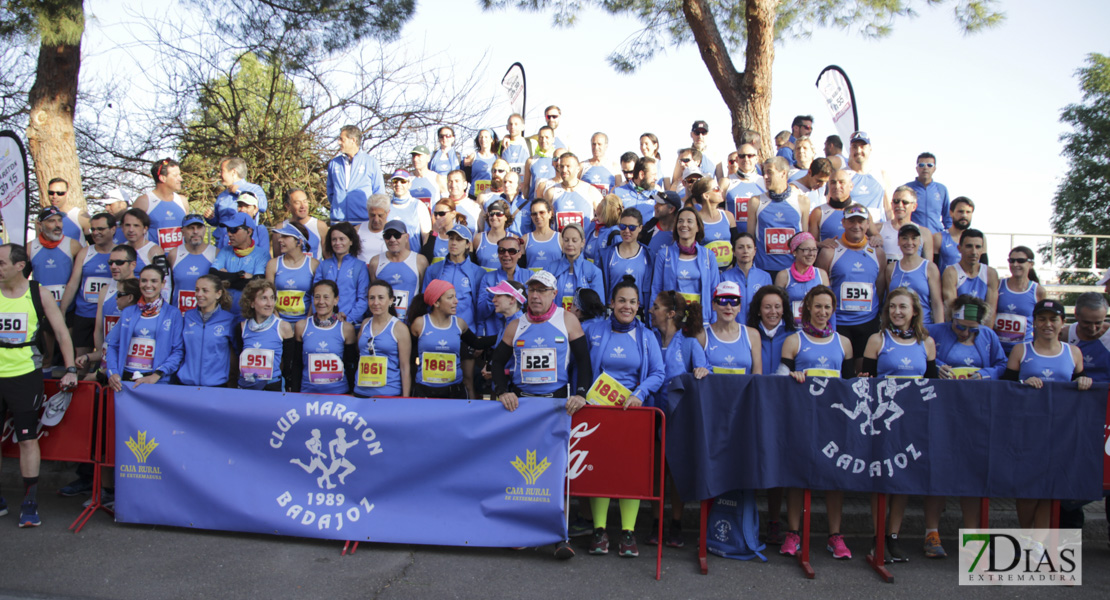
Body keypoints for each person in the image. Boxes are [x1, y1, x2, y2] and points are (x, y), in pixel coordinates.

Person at [582, 275, 666, 558]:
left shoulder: (647, 336)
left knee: (630, 471)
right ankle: (599, 530)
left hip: (633, 415)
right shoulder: (593, 330)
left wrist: (640, 393)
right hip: (599, 413)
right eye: (621, 301)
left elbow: (658, 372)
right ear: (611, 302)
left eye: (632, 302)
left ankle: (628, 532)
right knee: (600, 469)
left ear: (638, 305)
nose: (626, 306)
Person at [0, 243, 79, 527]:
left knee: (27, 439)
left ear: (20, 266)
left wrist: (70, 368)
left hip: (24, 376)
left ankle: (30, 501)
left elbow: (61, 332)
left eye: (1, 263)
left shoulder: (38, 293)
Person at [862, 287, 938, 563]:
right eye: (892, 306)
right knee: (881, 477)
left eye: (903, 307)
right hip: (883, 419)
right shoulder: (877, 339)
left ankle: (893, 535)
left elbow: (932, 385)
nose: (897, 311)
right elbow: (866, 382)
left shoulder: (926, 343)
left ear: (914, 311)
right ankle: (877, 534)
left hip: (913, 421)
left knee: (901, 477)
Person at [1004, 299, 1092, 535]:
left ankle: (1039, 541)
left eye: (1053, 319)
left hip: (1060, 431)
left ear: (1062, 323)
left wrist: (1084, 381)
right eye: (1042, 319)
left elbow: (1080, 383)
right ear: (1034, 322)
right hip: (1027, 430)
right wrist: (1024, 383)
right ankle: (1026, 534)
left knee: (1049, 490)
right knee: (1027, 489)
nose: (1047, 324)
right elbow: (1005, 389)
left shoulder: (1074, 352)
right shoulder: (1021, 350)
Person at [778, 285, 854, 559]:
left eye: (827, 307)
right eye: (818, 306)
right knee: (798, 476)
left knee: (835, 478)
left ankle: (835, 536)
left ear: (833, 310)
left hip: (834, 420)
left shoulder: (843, 343)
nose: (823, 312)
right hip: (802, 419)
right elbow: (779, 382)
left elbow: (849, 386)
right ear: (807, 308)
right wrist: (792, 377)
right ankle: (793, 533)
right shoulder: (793, 341)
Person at [648, 291, 708, 546]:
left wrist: (704, 370)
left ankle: (675, 524)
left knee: (675, 472)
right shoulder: (647, 338)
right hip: (649, 416)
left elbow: (707, 374)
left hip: (678, 418)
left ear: (670, 314)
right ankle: (655, 523)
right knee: (655, 473)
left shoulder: (690, 344)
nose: (651, 310)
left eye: (656, 306)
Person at [817, 204, 886, 373]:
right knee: (843, 372)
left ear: (868, 224)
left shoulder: (877, 252)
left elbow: (880, 286)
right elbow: (820, 288)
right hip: (839, 322)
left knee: (864, 374)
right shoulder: (830, 251)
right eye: (852, 221)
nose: (856, 226)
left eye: (861, 221)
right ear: (844, 223)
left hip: (867, 322)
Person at [423, 224, 484, 398]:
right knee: (435, 378)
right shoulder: (434, 269)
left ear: (468, 245)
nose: (453, 243)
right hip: (437, 331)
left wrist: (478, 336)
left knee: (468, 380)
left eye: (459, 239)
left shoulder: (477, 272)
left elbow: (479, 308)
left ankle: (470, 420)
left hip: (465, 333)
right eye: (451, 238)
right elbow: (425, 301)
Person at [105, 265, 185, 391]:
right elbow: (112, 345)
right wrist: (113, 372)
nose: (148, 285)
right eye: (144, 281)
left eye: (154, 281)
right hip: (125, 380)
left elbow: (178, 351)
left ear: (163, 283)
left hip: (157, 382)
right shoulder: (128, 312)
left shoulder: (173, 313)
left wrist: (157, 375)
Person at [410, 280, 489, 399]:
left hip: (454, 392)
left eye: (455, 297)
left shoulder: (459, 324)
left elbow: (477, 343)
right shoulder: (420, 324)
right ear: (436, 302)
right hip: (424, 391)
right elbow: (408, 356)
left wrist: (504, 336)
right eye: (450, 297)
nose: (456, 301)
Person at [61, 212, 117, 365]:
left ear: (113, 229)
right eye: (93, 229)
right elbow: (73, 283)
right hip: (84, 314)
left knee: (107, 358)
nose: (96, 233)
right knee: (81, 360)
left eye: (101, 229)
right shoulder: (85, 252)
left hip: (110, 315)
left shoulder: (121, 252)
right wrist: (62, 310)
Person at [651, 207, 720, 324]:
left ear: (698, 227)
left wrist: (714, 321)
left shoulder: (709, 256)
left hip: (700, 322)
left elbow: (715, 290)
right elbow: (656, 289)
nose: (684, 224)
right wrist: (654, 320)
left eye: (689, 221)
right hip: (672, 322)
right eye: (680, 221)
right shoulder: (664, 254)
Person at [748, 157, 810, 277]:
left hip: (792, 272)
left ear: (783, 173)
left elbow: (805, 240)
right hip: (764, 271)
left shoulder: (802, 201)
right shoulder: (756, 201)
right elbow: (750, 240)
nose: (765, 177)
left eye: (770, 172)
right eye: (764, 173)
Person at [295, 280, 357, 394]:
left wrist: (352, 393)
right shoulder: (301, 326)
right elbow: (296, 364)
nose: (321, 302)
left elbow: (351, 365)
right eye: (317, 297)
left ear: (336, 300)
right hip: (307, 393)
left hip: (339, 394)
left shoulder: (346, 329)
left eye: (326, 297)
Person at [354, 280, 412, 398]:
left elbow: (405, 367)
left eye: (381, 298)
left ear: (391, 300)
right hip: (361, 393)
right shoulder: (365, 324)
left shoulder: (400, 328)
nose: (375, 302)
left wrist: (405, 399)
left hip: (388, 393)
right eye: (371, 298)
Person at [176, 274, 236, 387]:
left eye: (205, 291)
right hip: (185, 384)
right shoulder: (187, 317)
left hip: (216, 386)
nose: (199, 294)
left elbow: (236, 353)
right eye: (197, 290)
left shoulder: (229, 320)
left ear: (218, 294)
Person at [236, 278, 296, 391]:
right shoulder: (241, 328)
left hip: (272, 387)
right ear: (252, 303)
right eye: (264, 298)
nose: (269, 303)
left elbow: (289, 363)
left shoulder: (283, 327)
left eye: (272, 298)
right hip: (247, 387)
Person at [929, 294, 1006, 381]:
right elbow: (918, 356)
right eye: (960, 327)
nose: (965, 333)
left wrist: (984, 374)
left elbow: (1002, 365)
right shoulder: (934, 331)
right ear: (952, 319)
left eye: (973, 329)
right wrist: (936, 366)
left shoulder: (988, 335)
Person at [209, 212, 270, 318]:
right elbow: (213, 275)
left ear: (249, 231)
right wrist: (240, 275)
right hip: (224, 314)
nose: (229, 234)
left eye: (234, 230)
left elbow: (256, 284)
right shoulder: (225, 251)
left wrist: (227, 279)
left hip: (249, 315)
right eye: (228, 230)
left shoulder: (262, 254)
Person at [884, 223, 944, 325]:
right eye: (905, 238)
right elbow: (889, 301)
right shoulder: (891, 268)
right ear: (898, 242)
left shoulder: (929, 267)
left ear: (920, 241)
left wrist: (939, 329)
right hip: (897, 327)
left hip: (923, 326)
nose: (909, 242)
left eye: (914, 238)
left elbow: (937, 303)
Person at [369, 220, 427, 324]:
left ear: (406, 237)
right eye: (388, 236)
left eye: (397, 235)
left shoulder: (420, 261)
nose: (392, 239)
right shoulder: (375, 262)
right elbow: (372, 292)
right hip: (384, 323)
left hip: (411, 322)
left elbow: (423, 293)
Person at [205, 156, 268, 249]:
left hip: (244, 248)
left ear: (233, 172)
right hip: (222, 247)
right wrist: (210, 218)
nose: (219, 174)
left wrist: (239, 191)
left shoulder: (254, 189)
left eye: (222, 171)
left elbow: (263, 206)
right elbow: (218, 221)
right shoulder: (222, 196)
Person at [327, 125, 385, 223]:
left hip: (363, 221)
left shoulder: (371, 162)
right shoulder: (334, 164)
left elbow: (379, 193)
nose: (339, 142)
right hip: (338, 222)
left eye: (342, 139)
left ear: (353, 140)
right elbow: (331, 192)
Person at [993, 246, 1046, 355]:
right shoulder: (998, 285)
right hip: (997, 349)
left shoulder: (1038, 291)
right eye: (1011, 261)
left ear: (1031, 264)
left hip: (1023, 351)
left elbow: (1040, 322)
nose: (1015, 264)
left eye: (1020, 261)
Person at [315, 222, 370, 324]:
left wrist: (348, 319)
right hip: (324, 322)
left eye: (342, 239)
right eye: (334, 239)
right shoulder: (323, 265)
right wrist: (321, 317)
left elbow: (363, 299)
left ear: (351, 241)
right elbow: (314, 295)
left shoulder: (360, 266)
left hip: (350, 324)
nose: (337, 243)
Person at [265, 222, 319, 324]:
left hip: (305, 322)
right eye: (281, 236)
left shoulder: (314, 265)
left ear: (299, 242)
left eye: (285, 236)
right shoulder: (273, 264)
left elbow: (316, 296)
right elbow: (269, 296)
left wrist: (307, 322)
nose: (280, 240)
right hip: (277, 322)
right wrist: (278, 322)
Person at [29, 206, 83, 308]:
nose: (58, 225)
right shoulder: (30, 248)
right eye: (51, 221)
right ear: (40, 225)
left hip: (69, 309)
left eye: (59, 220)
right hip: (41, 308)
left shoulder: (73, 245)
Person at [477, 236, 530, 337]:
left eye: (511, 251)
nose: (506, 255)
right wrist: (494, 293)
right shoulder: (488, 278)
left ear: (519, 254)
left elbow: (533, 308)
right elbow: (481, 312)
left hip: (522, 334)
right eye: (501, 251)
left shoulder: (529, 276)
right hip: (494, 336)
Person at [703, 281, 761, 374]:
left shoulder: (752, 335)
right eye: (723, 301)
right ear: (713, 305)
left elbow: (757, 375)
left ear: (740, 307)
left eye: (734, 302)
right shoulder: (702, 335)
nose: (729, 307)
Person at [131, 158, 188, 252]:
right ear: (162, 178)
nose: (180, 179)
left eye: (180, 175)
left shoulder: (182, 201)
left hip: (179, 260)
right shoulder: (144, 202)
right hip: (154, 261)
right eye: (175, 175)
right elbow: (132, 233)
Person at [941, 228, 999, 320]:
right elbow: (951, 310)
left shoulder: (990, 273)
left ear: (982, 250)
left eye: (978, 247)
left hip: (980, 328)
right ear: (959, 248)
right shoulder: (951, 272)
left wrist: (982, 333)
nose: (973, 252)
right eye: (969, 246)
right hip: (958, 327)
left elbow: (990, 313)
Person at [774, 232, 831, 326]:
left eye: (814, 250)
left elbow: (830, 306)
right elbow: (778, 307)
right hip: (790, 330)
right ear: (795, 252)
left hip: (815, 331)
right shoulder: (783, 276)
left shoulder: (822, 274)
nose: (811, 254)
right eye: (806, 250)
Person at [600, 208, 652, 309]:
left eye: (632, 227)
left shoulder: (648, 256)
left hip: (637, 312)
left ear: (640, 228)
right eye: (623, 226)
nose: (627, 231)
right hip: (613, 311)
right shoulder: (608, 254)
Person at [551, 223, 605, 314]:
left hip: (583, 326)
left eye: (574, 240)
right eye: (566, 240)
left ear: (583, 243)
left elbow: (598, 311)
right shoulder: (551, 269)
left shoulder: (594, 272)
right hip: (556, 324)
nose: (570, 244)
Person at [544, 153, 603, 234]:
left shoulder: (590, 191)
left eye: (568, 166)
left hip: (584, 245)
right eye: (562, 166)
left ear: (578, 168)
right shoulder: (551, 192)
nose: (564, 170)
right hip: (560, 245)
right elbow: (543, 222)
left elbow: (605, 218)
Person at [721, 233, 772, 324]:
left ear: (755, 251)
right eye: (740, 247)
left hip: (758, 329)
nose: (745, 251)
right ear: (734, 251)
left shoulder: (765, 277)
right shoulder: (725, 277)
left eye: (749, 247)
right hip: (733, 329)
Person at [843, 132, 892, 223]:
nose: (858, 150)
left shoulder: (881, 175)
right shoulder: (843, 175)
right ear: (850, 150)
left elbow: (889, 209)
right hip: (853, 230)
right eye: (855, 147)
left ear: (870, 149)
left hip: (877, 230)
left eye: (862, 146)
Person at [691, 176, 736, 269]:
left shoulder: (728, 216)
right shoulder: (695, 220)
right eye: (716, 189)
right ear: (706, 196)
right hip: (706, 272)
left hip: (728, 273)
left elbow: (736, 244)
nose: (721, 191)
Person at [1063, 292, 1110, 383]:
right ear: (1076, 315)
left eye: (1098, 323)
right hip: (1075, 391)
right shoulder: (1065, 335)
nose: (1092, 328)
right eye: (1087, 322)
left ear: (1105, 316)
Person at [933, 196, 985, 275]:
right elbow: (933, 270)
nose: (964, 215)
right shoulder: (938, 238)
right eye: (960, 211)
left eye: (968, 212)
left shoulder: (980, 238)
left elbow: (984, 268)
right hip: (946, 284)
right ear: (951, 213)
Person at [879, 187, 934, 261]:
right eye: (896, 201)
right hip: (887, 272)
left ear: (914, 206)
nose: (900, 205)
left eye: (905, 202)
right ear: (892, 205)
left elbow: (928, 266)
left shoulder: (924, 233)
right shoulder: (878, 229)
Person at [387, 169, 432, 253]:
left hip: (413, 258)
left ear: (409, 184)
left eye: (403, 181)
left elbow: (426, 236)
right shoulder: (386, 207)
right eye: (395, 181)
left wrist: (424, 258)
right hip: (391, 259)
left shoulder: (419, 205)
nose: (398, 184)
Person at [904, 152, 951, 232]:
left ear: (934, 169)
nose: (925, 168)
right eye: (921, 165)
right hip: (914, 236)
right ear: (917, 168)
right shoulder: (907, 189)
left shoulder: (941, 189)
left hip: (935, 236)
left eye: (929, 165)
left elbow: (948, 217)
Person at [721, 144, 765, 228]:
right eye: (742, 156)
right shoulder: (726, 182)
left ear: (756, 159)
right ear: (737, 159)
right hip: (734, 236)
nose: (746, 159)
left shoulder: (764, 182)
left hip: (757, 237)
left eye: (750, 156)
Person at [277, 189, 328, 259]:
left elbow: (328, 258)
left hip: (315, 269)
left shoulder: (320, 226)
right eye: (297, 203)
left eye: (305, 201)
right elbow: (277, 259)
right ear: (288, 206)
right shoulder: (280, 228)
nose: (303, 206)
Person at [808, 169, 854, 242]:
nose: (837, 186)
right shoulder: (818, 212)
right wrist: (821, 244)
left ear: (851, 186)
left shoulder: (860, 210)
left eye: (841, 182)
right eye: (833, 182)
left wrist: (875, 238)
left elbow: (874, 235)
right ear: (828, 186)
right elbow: (812, 244)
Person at [473, 199, 513, 271]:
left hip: (504, 281)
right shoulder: (478, 238)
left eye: (499, 214)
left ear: (506, 217)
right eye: (491, 214)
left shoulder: (513, 239)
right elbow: (472, 265)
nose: (494, 217)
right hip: (483, 281)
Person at [523, 198, 561, 273]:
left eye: (542, 212)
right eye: (534, 214)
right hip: (532, 282)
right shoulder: (525, 239)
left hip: (555, 283)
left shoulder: (560, 238)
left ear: (550, 214)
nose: (538, 216)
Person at [421, 198, 463, 264]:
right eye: (435, 214)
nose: (437, 217)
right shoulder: (430, 235)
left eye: (442, 214)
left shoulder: (461, 234)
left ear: (453, 214)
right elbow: (425, 260)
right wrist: (434, 233)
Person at [584, 194, 622, 264]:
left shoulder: (615, 234)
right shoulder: (593, 225)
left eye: (601, 202)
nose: (598, 204)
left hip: (602, 274)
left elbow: (617, 262)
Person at [522, 126, 557, 200]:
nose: (543, 140)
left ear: (553, 139)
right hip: (534, 203)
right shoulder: (530, 161)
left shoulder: (558, 159)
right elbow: (526, 186)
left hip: (552, 202)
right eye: (541, 137)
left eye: (547, 137)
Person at [463, 128, 499, 198]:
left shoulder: (497, 157)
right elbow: (464, 176)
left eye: (486, 137)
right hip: (474, 196)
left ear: (492, 139)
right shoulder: (473, 156)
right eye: (481, 137)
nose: (483, 139)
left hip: (491, 195)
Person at [445, 170, 481, 237]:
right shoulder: (440, 207)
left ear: (465, 184)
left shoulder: (475, 207)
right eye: (450, 181)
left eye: (457, 181)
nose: (453, 185)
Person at [355, 194, 391, 262]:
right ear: (367, 211)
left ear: (388, 213)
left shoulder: (395, 232)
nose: (376, 219)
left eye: (380, 215)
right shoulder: (357, 231)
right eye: (372, 215)